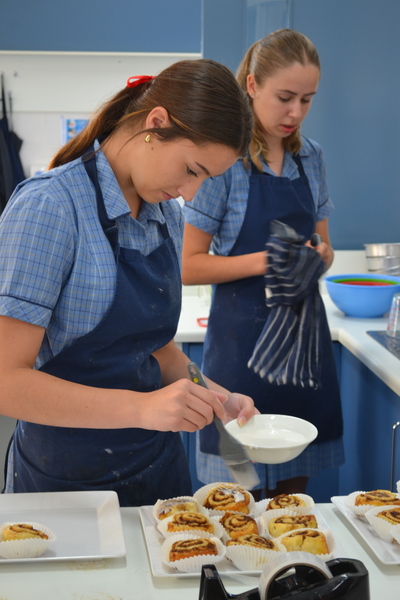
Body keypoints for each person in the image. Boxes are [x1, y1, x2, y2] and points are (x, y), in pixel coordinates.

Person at [0, 59, 256, 506]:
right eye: (192, 170)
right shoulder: (50, 209)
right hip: (65, 484)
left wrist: (217, 397)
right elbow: (6, 381)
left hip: (158, 472)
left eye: (206, 179)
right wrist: (142, 408)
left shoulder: (166, 217)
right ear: (155, 124)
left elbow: (157, 350)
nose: (191, 193)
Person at [182, 29, 344, 500]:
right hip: (239, 353)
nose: (295, 113)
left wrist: (318, 258)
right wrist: (268, 261)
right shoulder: (223, 162)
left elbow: (325, 248)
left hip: (304, 349)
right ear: (251, 86)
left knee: (293, 498)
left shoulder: (311, 159)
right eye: (285, 97)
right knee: (237, 495)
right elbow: (189, 266)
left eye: (308, 100)